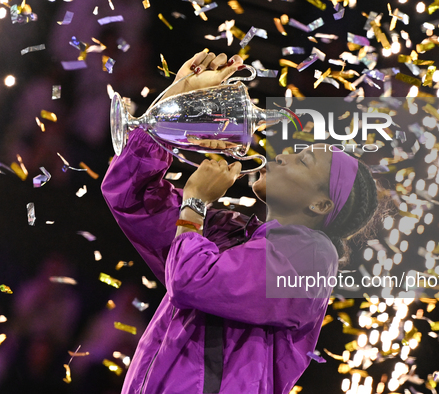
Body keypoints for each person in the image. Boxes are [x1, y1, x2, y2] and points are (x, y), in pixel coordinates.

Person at [101, 50, 380, 394]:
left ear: (320, 203)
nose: (282, 155)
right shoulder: (232, 234)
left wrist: (195, 203)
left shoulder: (314, 259)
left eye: (303, 160)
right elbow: (130, 195)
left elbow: (191, 280)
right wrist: (177, 97)